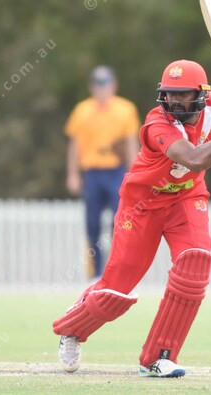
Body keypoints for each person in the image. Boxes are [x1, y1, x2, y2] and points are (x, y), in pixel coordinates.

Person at [54, 60, 211, 377]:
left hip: (186, 198)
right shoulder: (157, 123)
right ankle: (71, 330)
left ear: (202, 94)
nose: (174, 101)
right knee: (116, 292)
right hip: (143, 204)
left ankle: (158, 357)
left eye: (182, 94)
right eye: (169, 94)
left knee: (195, 263)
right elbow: (196, 160)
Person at [64, 66, 140, 278]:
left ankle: (116, 270)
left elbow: (131, 143)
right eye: (97, 84)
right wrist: (72, 174)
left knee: (121, 221)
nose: (101, 89)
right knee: (92, 224)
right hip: (92, 173)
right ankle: (95, 272)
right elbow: (74, 145)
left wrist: (135, 173)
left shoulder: (125, 109)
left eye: (105, 84)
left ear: (114, 86)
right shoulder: (82, 110)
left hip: (117, 171)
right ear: (91, 87)